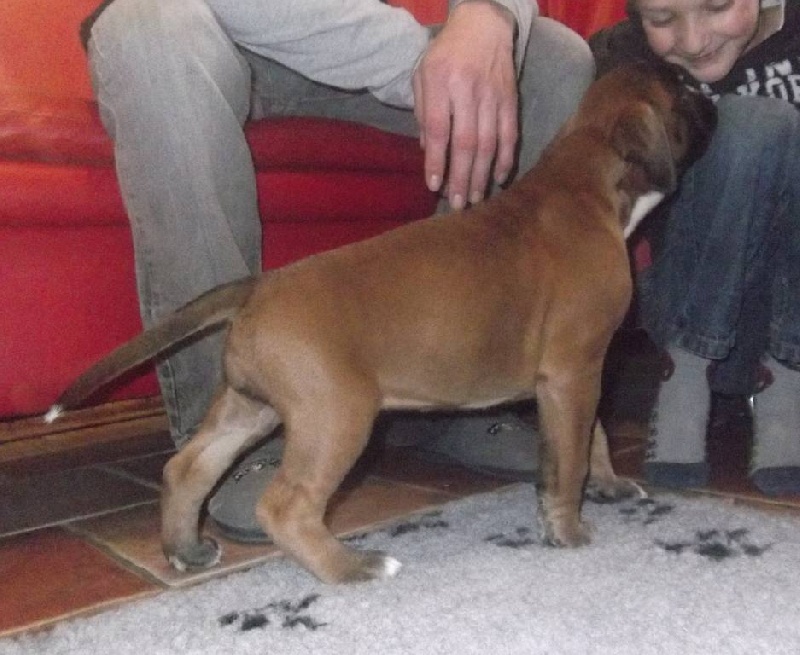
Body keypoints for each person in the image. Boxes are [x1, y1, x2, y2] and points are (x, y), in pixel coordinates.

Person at [82, 0, 595, 542]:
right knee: (148, 25)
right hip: (206, 33)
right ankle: (227, 441)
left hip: (357, 38)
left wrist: (488, 16)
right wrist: (422, 62)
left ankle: (456, 393)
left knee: (552, 56)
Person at [591, 0, 800, 495]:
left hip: (785, 305)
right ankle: (682, 372)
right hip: (687, 298)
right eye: (663, 20)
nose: (693, 40)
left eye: (717, 6)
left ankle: (786, 375)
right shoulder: (627, 64)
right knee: (752, 124)